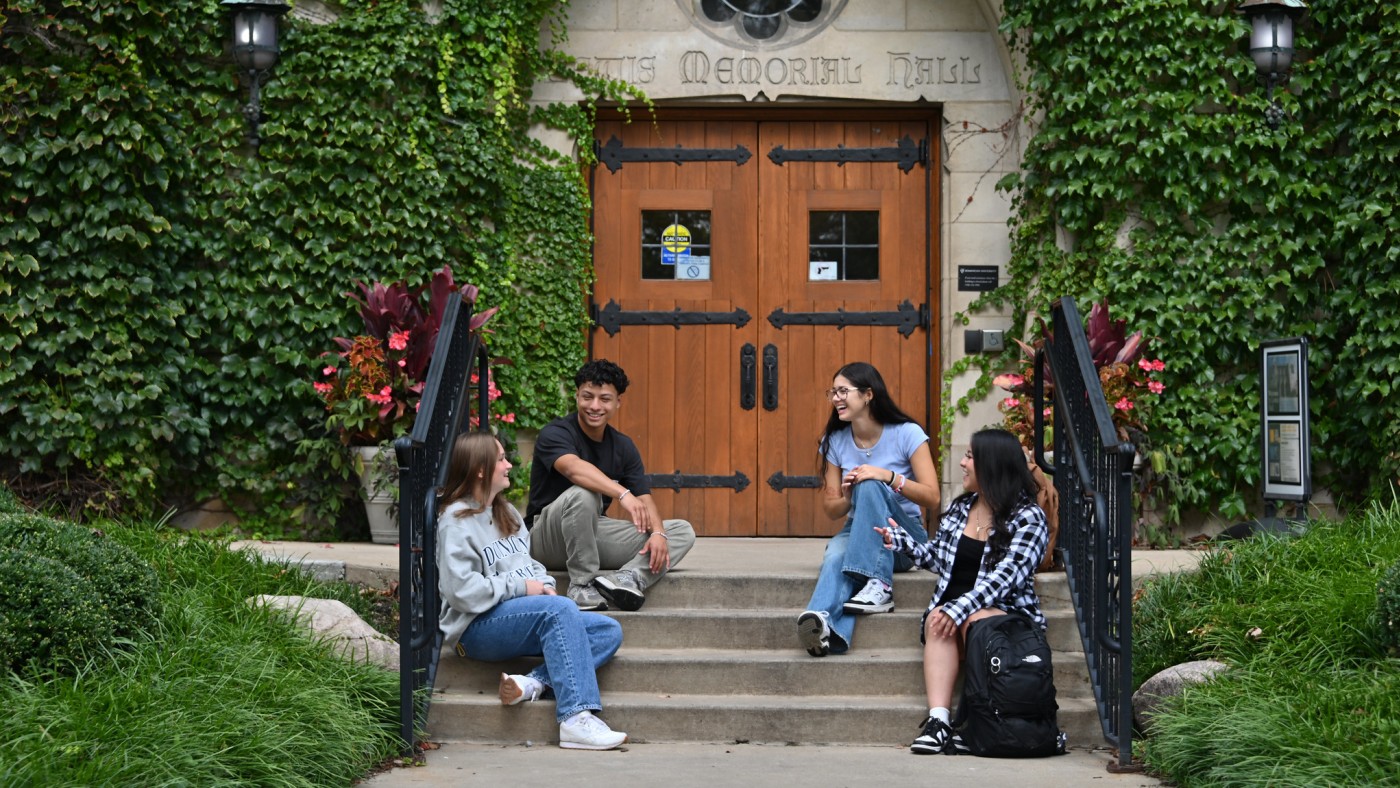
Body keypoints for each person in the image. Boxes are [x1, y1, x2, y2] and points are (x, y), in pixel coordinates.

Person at [437, 431, 628, 750]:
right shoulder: (455, 521)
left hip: (517, 617)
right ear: (481, 469)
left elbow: (531, 566)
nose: (509, 465)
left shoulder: (507, 513)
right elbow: (461, 591)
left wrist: (545, 586)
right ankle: (575, 718)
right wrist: (524, 588)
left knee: (607, 630)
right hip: (473, 629)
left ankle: (532, 682)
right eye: (501, 459)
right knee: (562, 611)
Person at [876, 427, 1050, 755]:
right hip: (956, 614)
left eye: (970, 456)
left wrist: (960, 608)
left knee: (974, 620)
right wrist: (903, 543)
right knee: (939, 617)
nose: (963, 463)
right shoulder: (961, 509)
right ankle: (939, 722)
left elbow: (1006, 578)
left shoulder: (1028, 518)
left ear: (991, 464)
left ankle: (978, 721)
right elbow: (938, 558)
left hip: (1006, 618)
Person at [526, 359, 696, 612]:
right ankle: (581, 586)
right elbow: (573, 469)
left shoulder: (623, 446)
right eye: (587, 397)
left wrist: (658, 532)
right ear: (576, 397)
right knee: (584, 493)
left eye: (604, 399)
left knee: (680, 531)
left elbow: (645, 497)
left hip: (590, 536)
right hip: (546, 537)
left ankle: (626, 579)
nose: (595, 406)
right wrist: (622, 493)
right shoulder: (556, 433)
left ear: (618, 402)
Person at [797, 362, 940, 657]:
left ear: (868, 395)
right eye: (832, 392)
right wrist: (850, 496)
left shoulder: (907, 433)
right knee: (837, 553)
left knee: (871, 482)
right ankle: (825, 625)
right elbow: (832, 510)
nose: (836, 398)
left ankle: (881, 584)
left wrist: (887, 477)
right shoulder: (834, 441)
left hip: (904, 539)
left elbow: (933, 497)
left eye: (843, 391)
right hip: (858, 529)